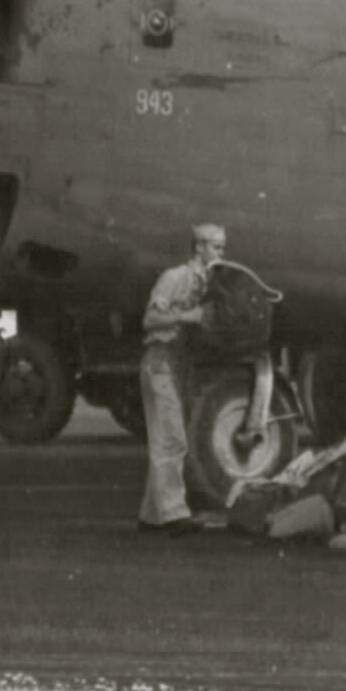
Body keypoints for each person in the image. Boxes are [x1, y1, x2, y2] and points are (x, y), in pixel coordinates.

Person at [136, 224, 227, 533]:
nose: (221, 253)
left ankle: (152, 515)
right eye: (216, 246)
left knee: (168, 437)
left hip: (179, 364)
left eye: (223, 247)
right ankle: (173, 514)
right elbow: (150, 319)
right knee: (171, 438)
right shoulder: (174, 278)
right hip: (160, 360)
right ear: (198, 248)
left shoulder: (207, 283)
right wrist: (188, 317)